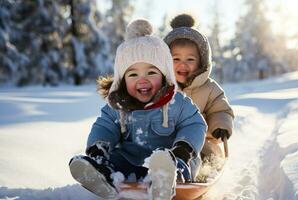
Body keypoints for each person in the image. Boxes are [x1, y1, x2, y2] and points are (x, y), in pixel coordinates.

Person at [69, 19, 207, 199]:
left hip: (172, 158)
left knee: (178, 163)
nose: (142, 80)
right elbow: (104, 126)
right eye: (133, 74)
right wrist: (98, 147)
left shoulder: (177, 103)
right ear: (122, 80)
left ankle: (167, 179)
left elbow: (195, 124)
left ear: (165, 75)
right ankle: (102, 174)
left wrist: (183, 149)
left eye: (151, 72)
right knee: (114, 159)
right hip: (130, 161)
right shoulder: (117, 107)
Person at [164, 14, 234, 157]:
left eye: (190, 59)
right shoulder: (161, 87)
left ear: (201, 62)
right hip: (163, 142)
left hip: (200, 143)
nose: (183, 64)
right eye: (176, 58)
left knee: (208, 154)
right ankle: (161, 167)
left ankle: (202, 169)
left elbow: (220, 110)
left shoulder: (209, 89)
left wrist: (220, 125)